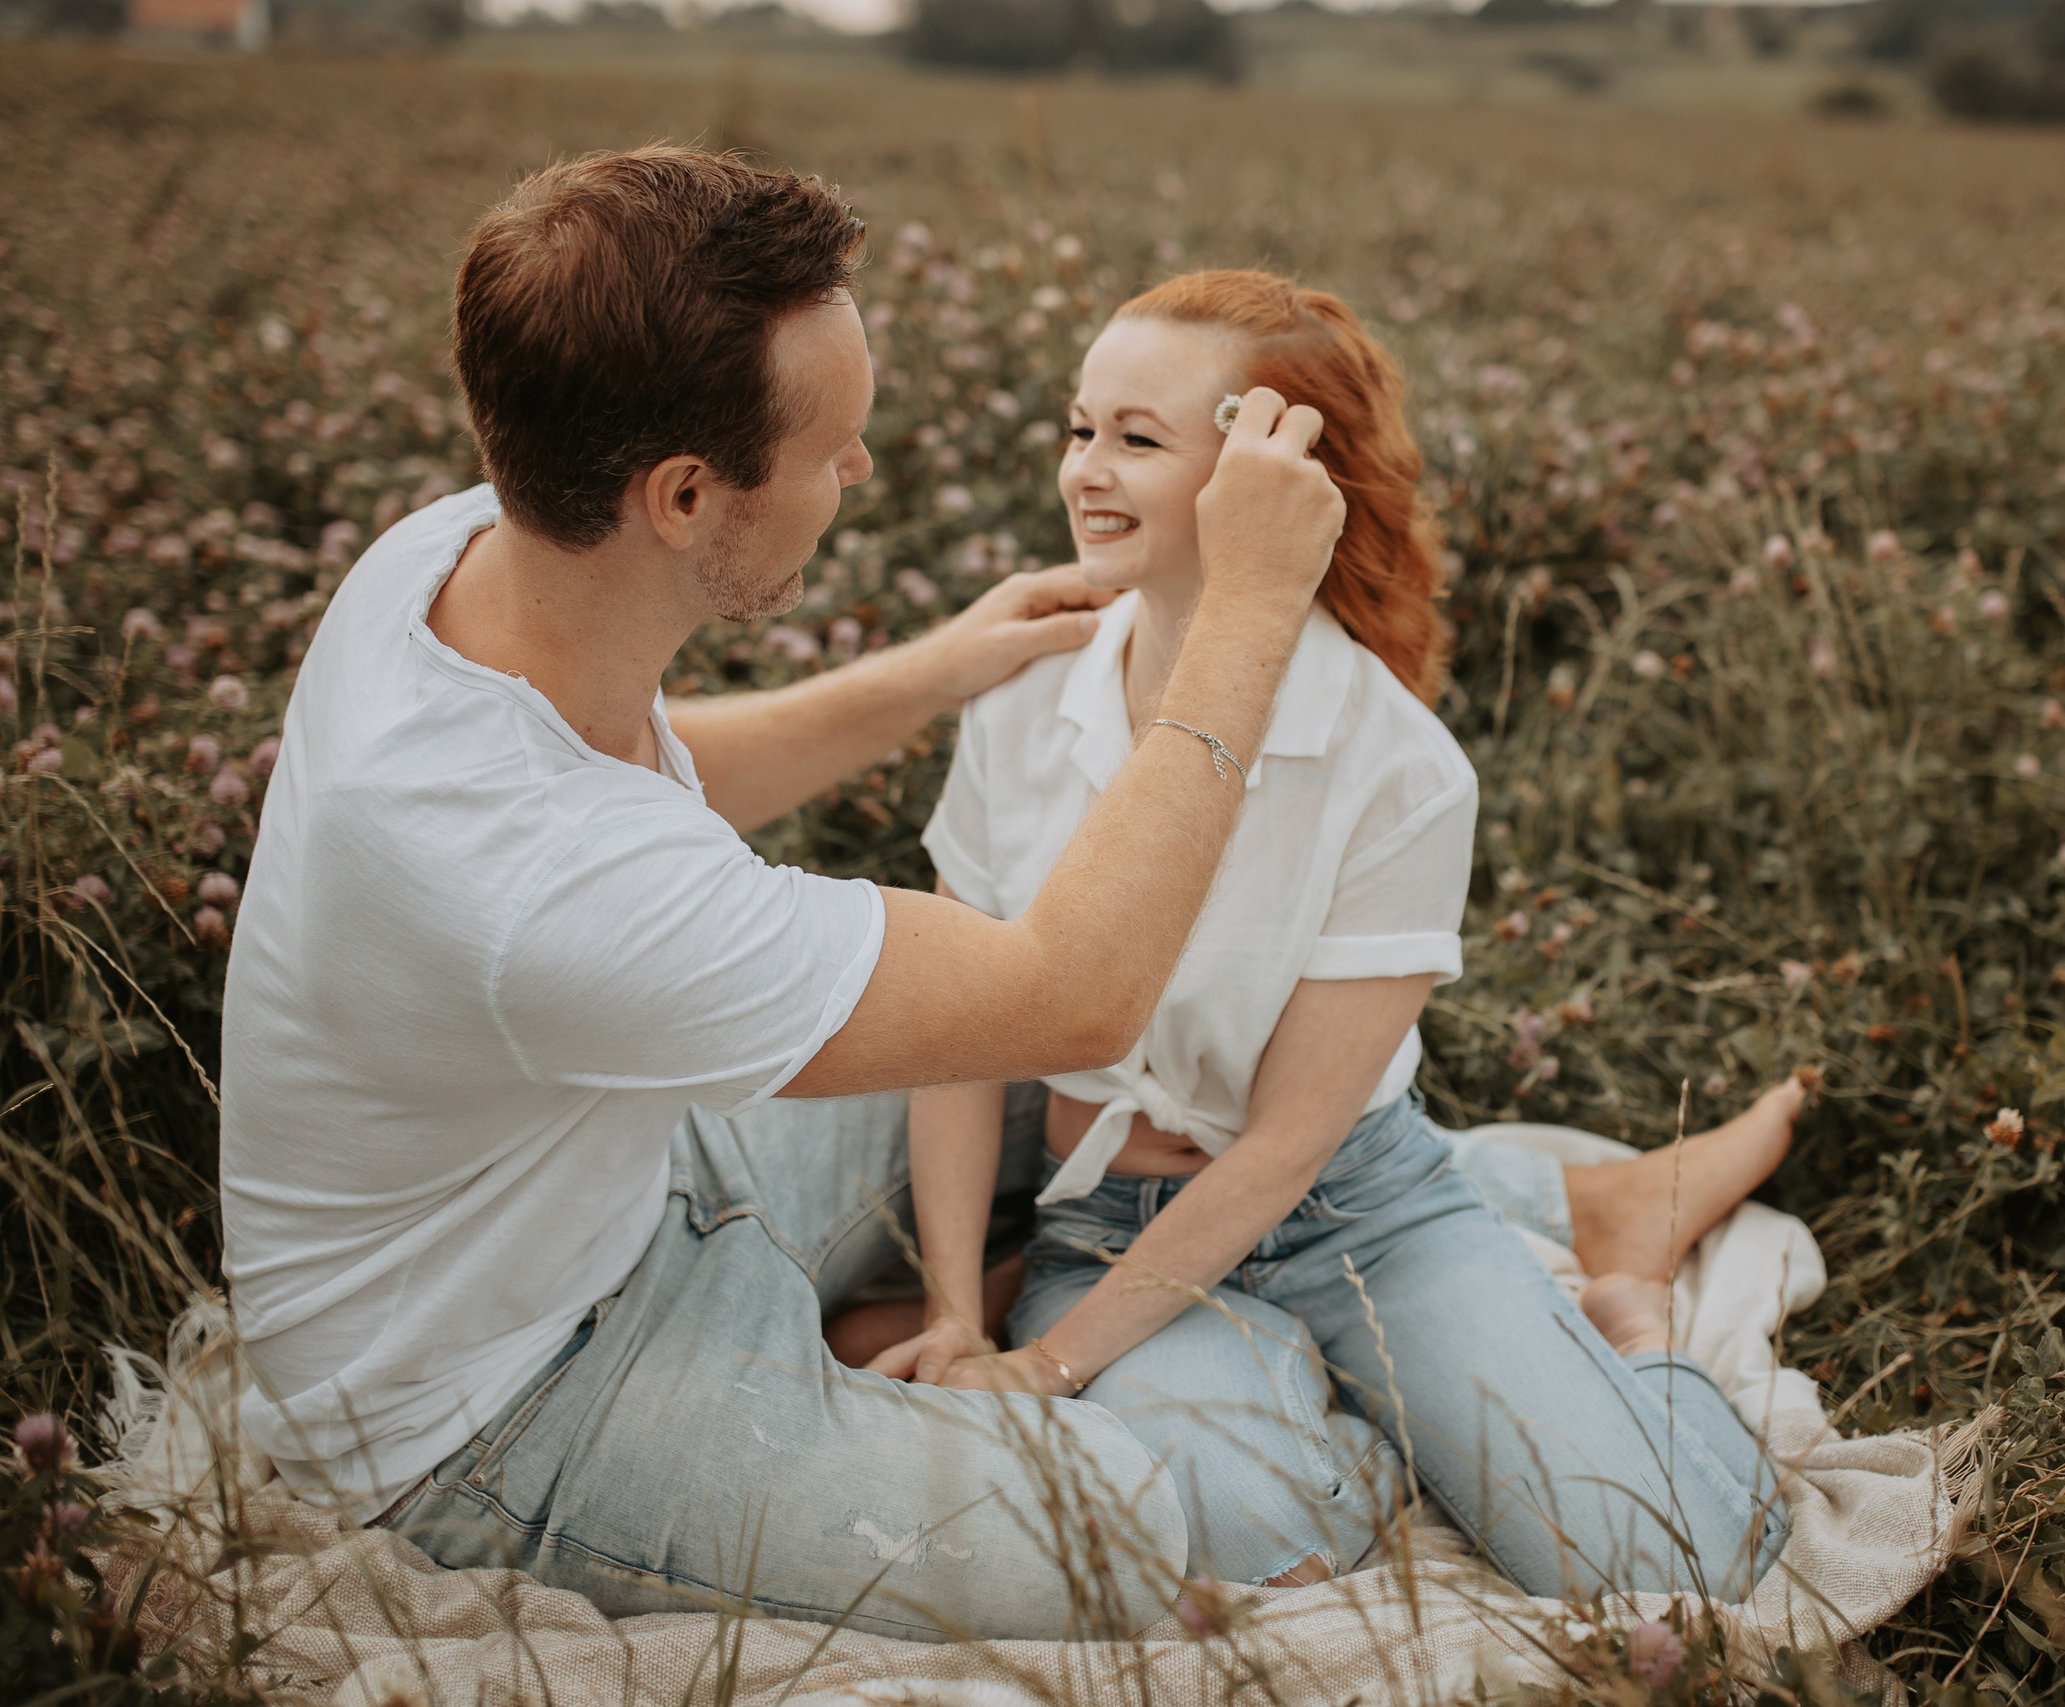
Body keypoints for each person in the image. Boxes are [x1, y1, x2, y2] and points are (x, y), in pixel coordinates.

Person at [216, 150, 1350, 1644]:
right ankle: (859, 1352)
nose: (860, 475)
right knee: (1114, 1529)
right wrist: (1255, 608)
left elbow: (653, 788)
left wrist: (932, 668)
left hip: (613, 1170)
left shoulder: (457, 553)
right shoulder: (540, 885)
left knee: (1051, 1099)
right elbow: (1075, 986)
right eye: (834, 447)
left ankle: (865, 1330)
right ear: (686, 494)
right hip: (498, 1405)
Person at [868, 271, 1801, 1602]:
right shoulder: (1021, 695)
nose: (1086, 473)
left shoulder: (1395, 766)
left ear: (1277, 469)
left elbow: (1287, 1144)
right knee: (1255, 1540)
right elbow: (962, 1038)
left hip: (1357, 1212)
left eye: (1139, 439)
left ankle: (1627, 1327)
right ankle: (1394, 1412)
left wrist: (1045, 1368)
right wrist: (963, 1316)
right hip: (1105, 1226)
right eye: (1081, 428)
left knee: (1668, 1564)